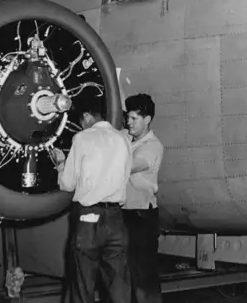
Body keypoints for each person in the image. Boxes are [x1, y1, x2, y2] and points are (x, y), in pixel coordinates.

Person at [51, 103, 132, 303]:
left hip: (89, 220)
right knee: (119, 285)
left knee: (82, 284)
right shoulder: (124, 139)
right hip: (116, 219)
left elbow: (67, 184)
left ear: (87, 116)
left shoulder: (82, 138)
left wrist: (61, 163)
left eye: (81, 122)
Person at [122, 94, 165, 303]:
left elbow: (129, 166)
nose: (128, 123)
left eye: (133, 119)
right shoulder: (126, 138)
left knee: (143, 277)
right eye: (127, 118)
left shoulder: (152, 147)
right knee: (127, 276)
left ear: (147, 120)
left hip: (141, 217)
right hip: (124, 214)